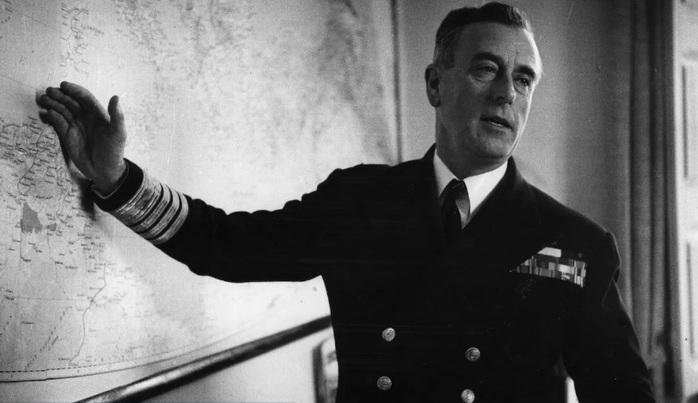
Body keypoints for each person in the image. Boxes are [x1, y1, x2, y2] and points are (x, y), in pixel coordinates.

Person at [37, 2, 655, 402]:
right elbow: (226, 245)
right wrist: (116, 179)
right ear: (435, 83)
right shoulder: (362, 200)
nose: (506, 95)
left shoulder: (577, 244)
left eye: (523, 79)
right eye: (485, 69)